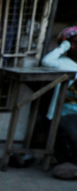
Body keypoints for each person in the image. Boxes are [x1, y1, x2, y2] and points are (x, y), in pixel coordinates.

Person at [41, 26, 77, 179]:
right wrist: (65, 45)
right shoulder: (62, 63)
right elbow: (46, 61)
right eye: (75, 43)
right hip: (64, 114)